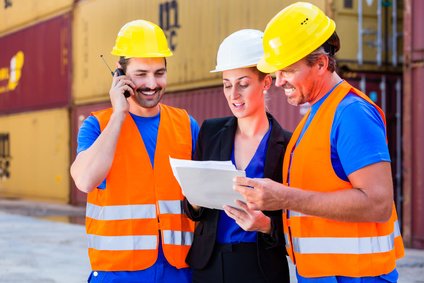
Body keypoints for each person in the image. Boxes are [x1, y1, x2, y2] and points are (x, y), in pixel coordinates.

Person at [234, 2, 405, 282]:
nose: (278, 81)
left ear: (321, 63)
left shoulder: (352, 114)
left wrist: (283, 197)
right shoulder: (315, 115)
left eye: (287, 70)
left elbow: (378, 204)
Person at [70, 20, 199, 283]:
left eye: (159, 73)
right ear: (119, 74)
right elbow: (84, 180)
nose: (152, 83)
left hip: (178, 272)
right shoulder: (98, 125)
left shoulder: (186, 124)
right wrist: (120, 113)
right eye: (141, 74)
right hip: (117, 274)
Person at [183, 29, 292, 283]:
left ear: (266, 83)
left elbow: (298, 222)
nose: (234, 95)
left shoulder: (287, 145)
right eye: (227, 85)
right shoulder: (210, 132)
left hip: (260, 267)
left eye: (243, 84)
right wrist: (196, 198)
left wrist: (265, 225)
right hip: (208, 264)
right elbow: (192, 211)